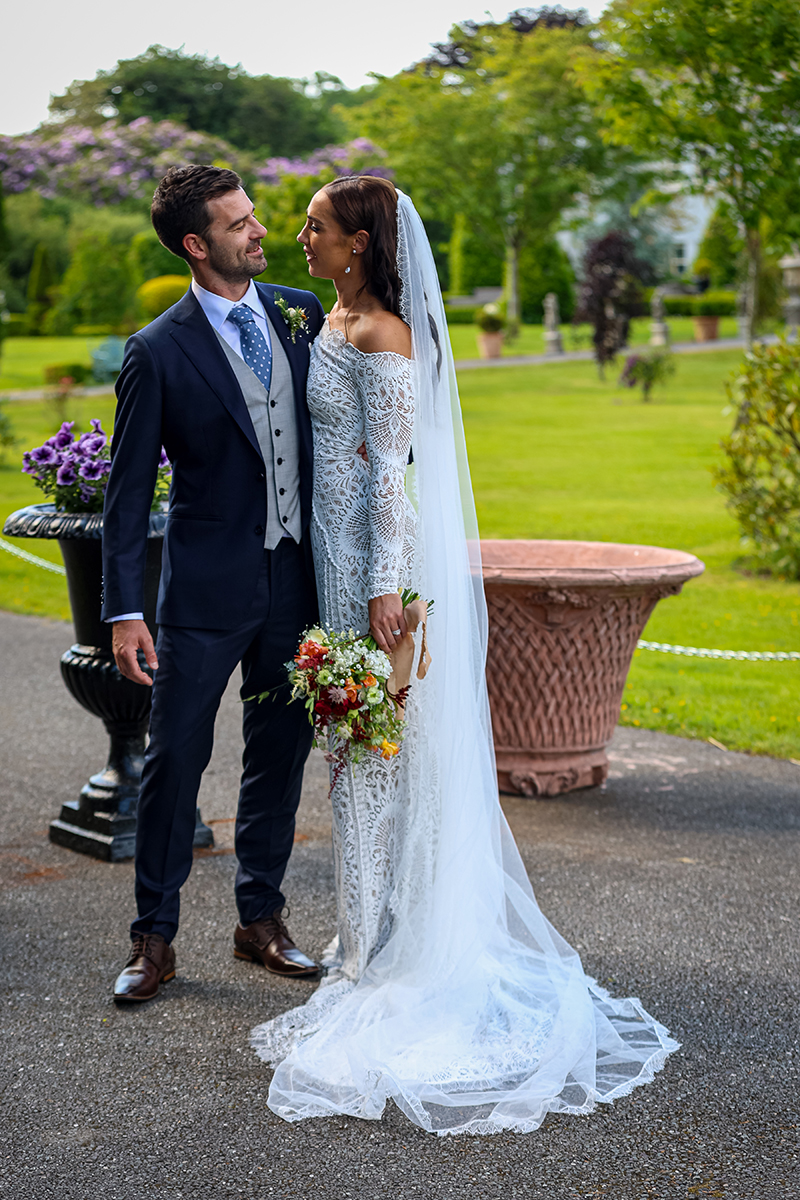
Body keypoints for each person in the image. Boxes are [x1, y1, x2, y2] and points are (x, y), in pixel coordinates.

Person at [251, 176, 679, 1135]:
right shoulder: (331, 317)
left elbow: (395, 476)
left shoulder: (387, 338)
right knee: (359, 763)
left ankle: (370, 958)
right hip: (331, 571)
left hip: (372, 585)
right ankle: (376, 931)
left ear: (360, 242)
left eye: (315, 226)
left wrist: (387, 590)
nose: (300, 235)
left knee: (365, 762)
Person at [102, 165, 325, 1002]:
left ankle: (259, 920)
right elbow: (126, 498)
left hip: (295, 581)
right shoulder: (157, 352)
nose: (259, 230)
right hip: (201, 595)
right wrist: (125, 612)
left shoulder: (302, 315)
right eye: (238, 224)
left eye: (254, 215)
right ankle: (153, 941)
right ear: (197, 245)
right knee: (175, 763)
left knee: (278, 754)